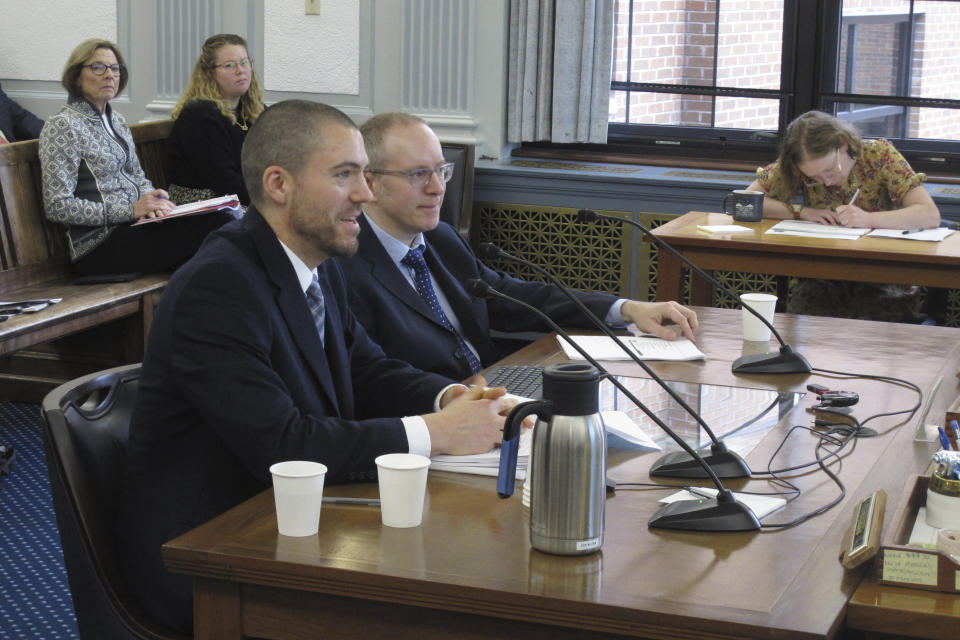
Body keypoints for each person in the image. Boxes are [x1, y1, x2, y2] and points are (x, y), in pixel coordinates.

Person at [117, 100, 514, 633]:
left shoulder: (315, 262)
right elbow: (286, 445)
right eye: (345, 174)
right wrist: (434, 433)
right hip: (213, 557)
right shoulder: (218, 286)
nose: (365, 193)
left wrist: (453, 400)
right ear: (279, 184)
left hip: (293, 522)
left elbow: (367, 369)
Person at [338, 112, 699, 382]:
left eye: (441, 170)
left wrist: (627, 308)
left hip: (498, 388)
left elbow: (515, 298)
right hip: (437, 421)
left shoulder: (440, 239)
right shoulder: (343, 269)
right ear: (370, 182)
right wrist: (456, 398)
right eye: (418, 175)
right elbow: (375, 377)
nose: (437, 188)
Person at [39, 39, 233, 277]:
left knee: (221, 218)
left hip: (135, 228)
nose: (109, 75)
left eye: (115, 68)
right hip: (97, 246)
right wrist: (131, 210)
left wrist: (154, 199)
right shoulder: (63, 125)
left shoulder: (117, 120)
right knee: (214, 230)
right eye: (98, 67)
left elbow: (138, 177)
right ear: (76, 75)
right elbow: (57, 205)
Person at [746, 110, 941, 321]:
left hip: (881, 274)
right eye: (815, 178)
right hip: (822, 274)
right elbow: (747, 200)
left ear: (844, 143)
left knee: (869, 319)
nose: (827, 182)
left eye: (831, 170)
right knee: (808, 313)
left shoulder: (880, 155)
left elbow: (928, 214)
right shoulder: (799, 164)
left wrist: (869, 219)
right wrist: (800, 212)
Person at [168, 33, 264, 205]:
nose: (240, 70)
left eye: (244, 62)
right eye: (229, 65)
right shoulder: (199, 115)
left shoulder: (253, 109)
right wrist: (270, 199)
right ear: (209, 73)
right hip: (201, 205)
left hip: (236, 197)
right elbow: (224, 180)